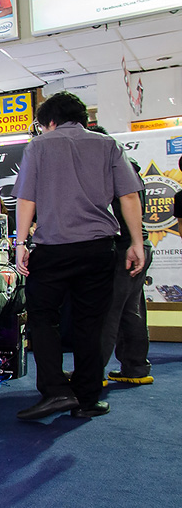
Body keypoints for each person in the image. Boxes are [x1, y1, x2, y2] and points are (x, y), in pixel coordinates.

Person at [13, 92, 145, 421]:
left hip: (53, 249)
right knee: (91, 323)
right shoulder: (108, 144)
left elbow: (26, 199)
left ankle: (56, 391)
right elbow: (129, 195)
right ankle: (87, 399)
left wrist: (20, 244)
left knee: (43, 319)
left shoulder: (38, 146)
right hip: (98, 248)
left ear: (50, 121)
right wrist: (137, 242)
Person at [88, 125, 153, 386]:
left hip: (124, 247)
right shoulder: (128, 166)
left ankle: (93, 372)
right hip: (137, 244)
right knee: (131, 310)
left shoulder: (112, 168)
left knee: (108, 310)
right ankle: (135, 367)